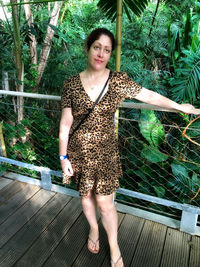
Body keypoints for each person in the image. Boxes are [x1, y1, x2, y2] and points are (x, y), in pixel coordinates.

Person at [59, 28, 199, 267]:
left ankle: (114, 246)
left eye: (107, 49)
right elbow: (65, 123)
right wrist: (63, 157)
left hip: (105, 154)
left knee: (105, 202)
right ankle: (94, 229)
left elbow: (149, 96)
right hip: (78, 153)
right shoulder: (70, 84)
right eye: (97, 47)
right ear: (87, 48)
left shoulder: (117, 81)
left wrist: (179, 106)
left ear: (110, 54)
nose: (101, 53)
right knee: (85, 197)